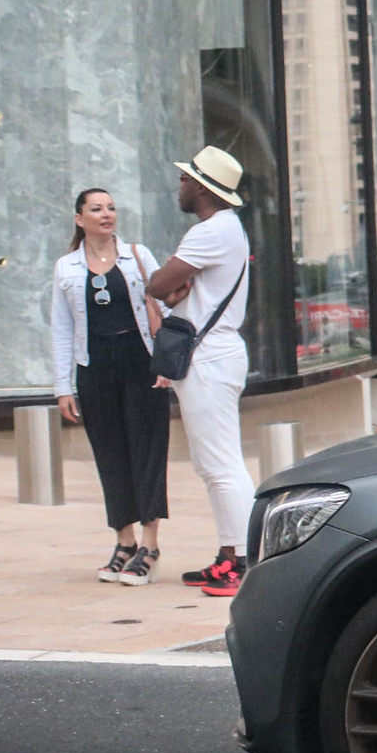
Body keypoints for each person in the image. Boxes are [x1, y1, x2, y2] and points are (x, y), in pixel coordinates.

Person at [143, 146, 253, 599]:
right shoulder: (225, 230)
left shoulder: (212, 231)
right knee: (212, 464)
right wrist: (173, 292)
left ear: (205, 188)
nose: (181, 185)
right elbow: (174, 292)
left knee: (222, 464)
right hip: (210, 354)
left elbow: (156, 285)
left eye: (187, 180)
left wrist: (168, 288)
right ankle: (230, 555)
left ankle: (244, 560)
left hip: (209, 357)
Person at [50, 188, 170, 586]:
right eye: (96, 209)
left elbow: (165, 308)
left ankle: (150, 544)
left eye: (111, 208)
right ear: (79, 218)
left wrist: (166, 363)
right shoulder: (66, 267)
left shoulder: (137, 255)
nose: (106, 214)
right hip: (94, 367)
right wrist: (62, 388)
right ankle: (125, 541)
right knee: (110, 454)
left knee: (148, 449)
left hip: (141, 363)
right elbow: (62, 330)